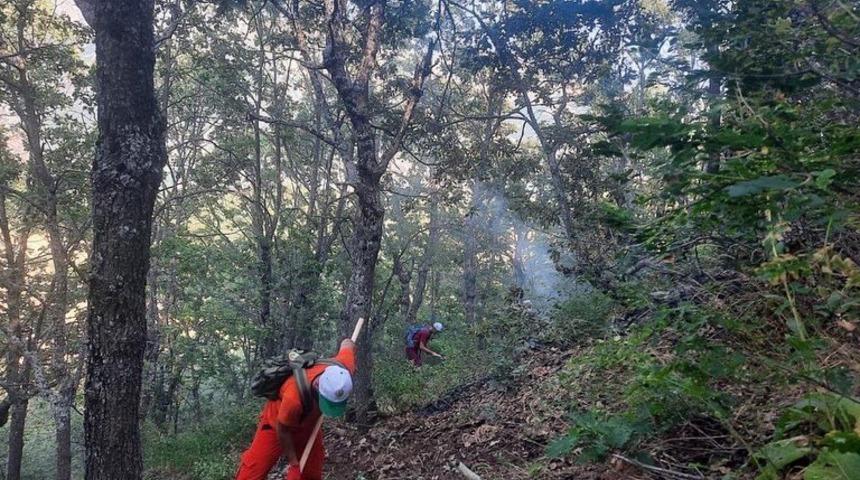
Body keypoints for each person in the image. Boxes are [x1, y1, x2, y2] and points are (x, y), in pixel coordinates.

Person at [236, 338, 356, 480]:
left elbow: (347, 344)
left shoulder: (343, 369)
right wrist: (293, 465)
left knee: (311, 473)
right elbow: (283, 431)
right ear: (318, 387)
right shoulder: (294, 398)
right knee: (252, 473)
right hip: (276, 426)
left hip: (307, 426)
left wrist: (351, 347)